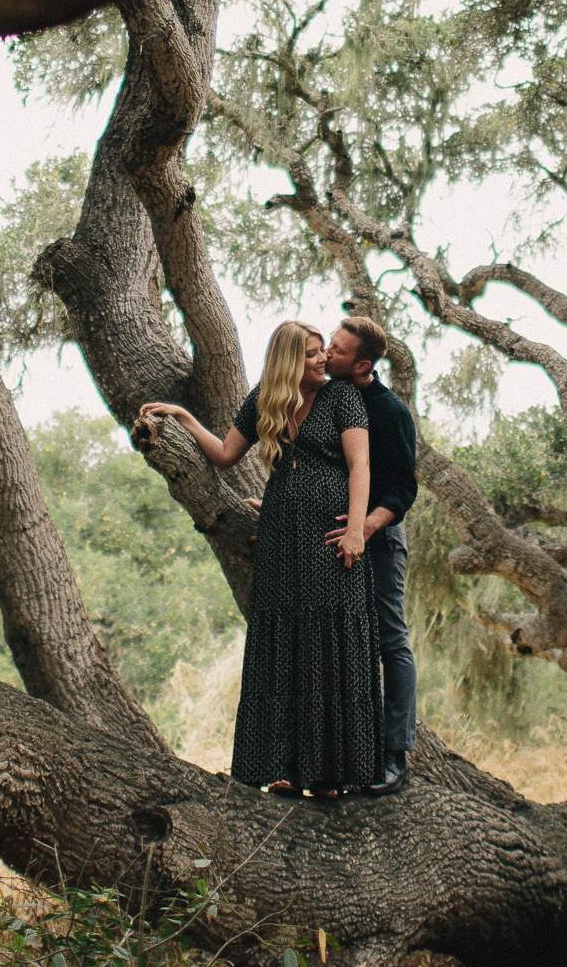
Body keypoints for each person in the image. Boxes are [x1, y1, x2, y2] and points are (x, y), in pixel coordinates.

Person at [140, 321, 384, 796]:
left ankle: (331, 773)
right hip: (281, 540)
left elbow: (361, 465)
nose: (322, 360)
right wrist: (183, 418)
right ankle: (285, 769)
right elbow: (226, 455)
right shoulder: (262, 400)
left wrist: (357, 529)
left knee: (328, 644)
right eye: (312, 354)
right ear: (289, 361)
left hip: (332, 539)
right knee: (284, 642)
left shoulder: (342, 399)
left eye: (323, 352)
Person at [323, 316, 417, 797]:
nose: (327, 354)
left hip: (379, 541)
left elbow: (404, 488)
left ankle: (395, 755)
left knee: (389, 639)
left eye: (337, 351)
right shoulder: (324, 398)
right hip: (330, 542)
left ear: (362, 365)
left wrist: (363, 527)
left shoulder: (389, 412)